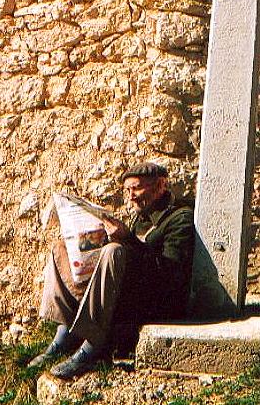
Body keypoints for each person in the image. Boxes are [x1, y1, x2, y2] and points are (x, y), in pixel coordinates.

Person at [28, 162, 195, 379]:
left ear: (161, 186)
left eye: (137, 188)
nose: (131, 196)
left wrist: (127, 240)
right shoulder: (141, 215)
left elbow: (171, 273)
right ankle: (65, 334)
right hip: (130, 294)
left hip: (158, 302)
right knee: (61, 248)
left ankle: (94, 346)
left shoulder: (179, 218)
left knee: (114, 251)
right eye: (127, 191)